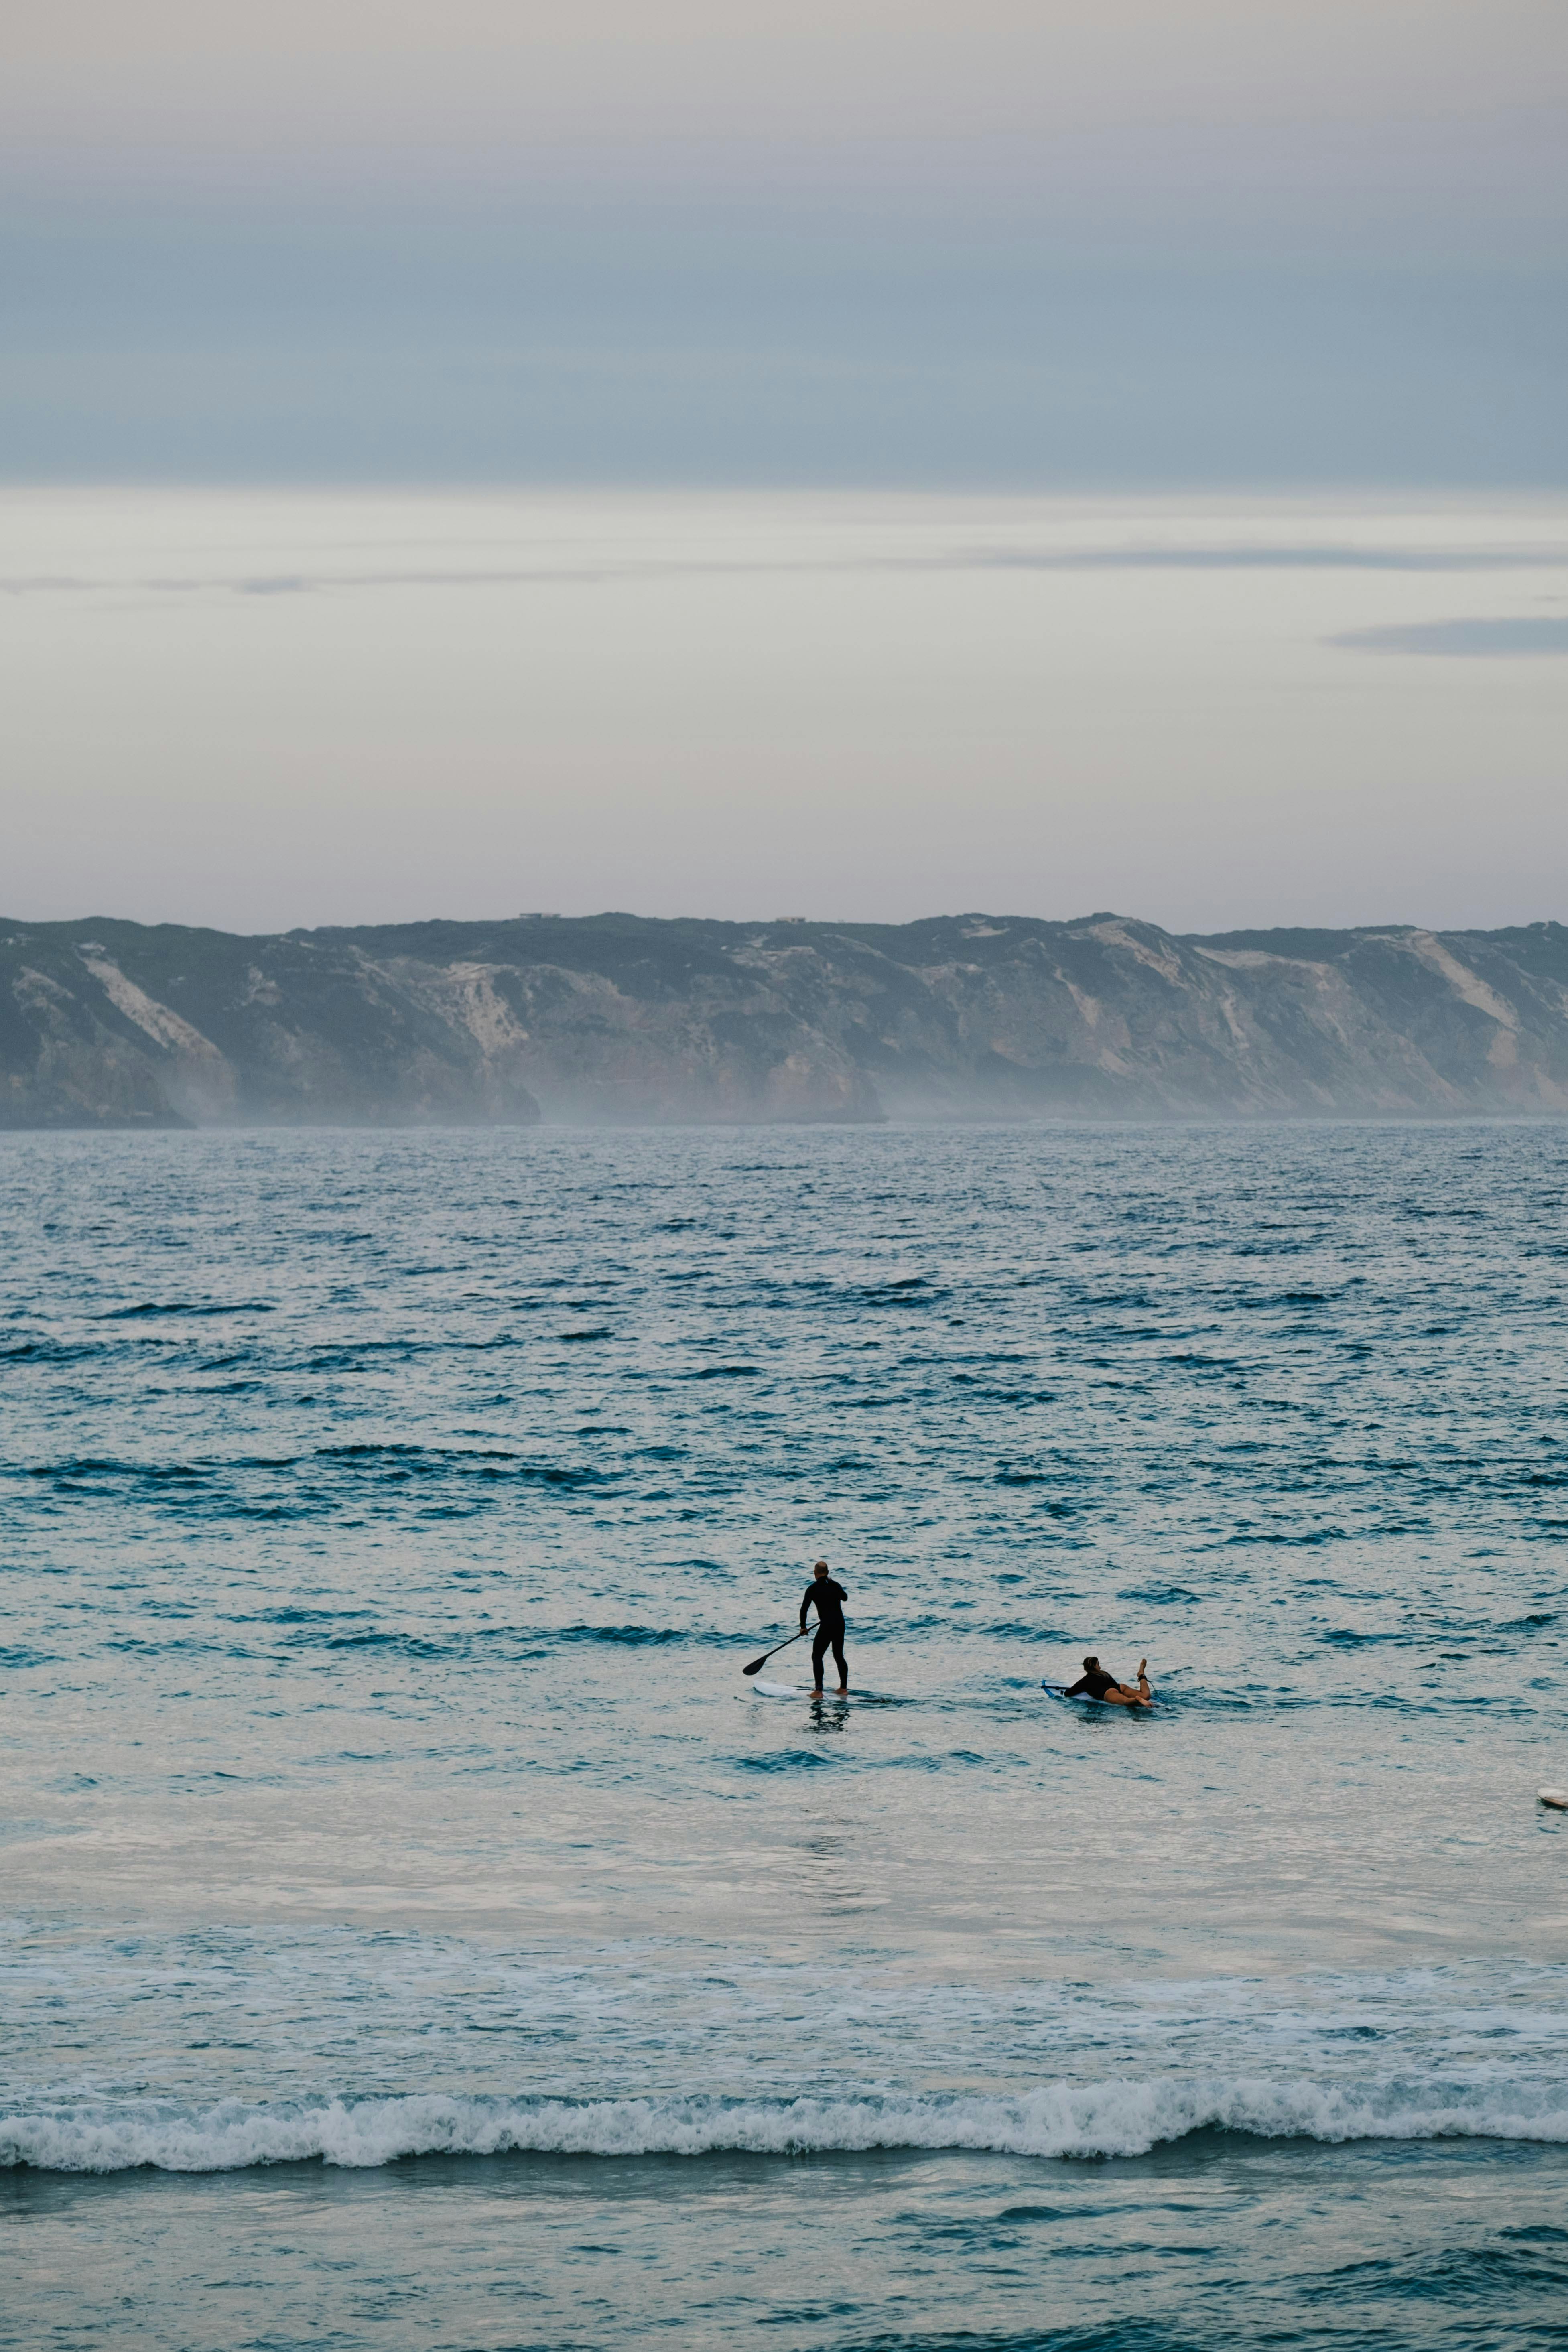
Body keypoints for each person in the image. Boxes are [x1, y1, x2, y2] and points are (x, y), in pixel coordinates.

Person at [800, 1559, 849, 1694]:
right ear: (827, 1573)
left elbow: (804, 1609)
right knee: (839, 1655)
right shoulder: (836, 1585)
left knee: (817, 1656)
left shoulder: (812, 1589)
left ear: (815, 1573)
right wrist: (833, 1584)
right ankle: (843, 1689)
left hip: (827, 1625)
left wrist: (803, 1627)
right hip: (840, 1624)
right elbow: (845, 1598)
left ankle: (818, 1691)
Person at [1063, 1654, 1152, 1707]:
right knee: (1146, 1695)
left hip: (1108, 1694)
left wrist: (1082, 1689)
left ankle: (1137, 1699)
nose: (1100, 1667)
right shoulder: (1104, 1674)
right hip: (1120, 1687)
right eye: (1098, 1665)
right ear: (1094, 1667)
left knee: (1126, 1702)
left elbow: (1068, 1693)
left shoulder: (1085, 1681)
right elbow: (1114, 1685)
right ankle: (1141, 1674)